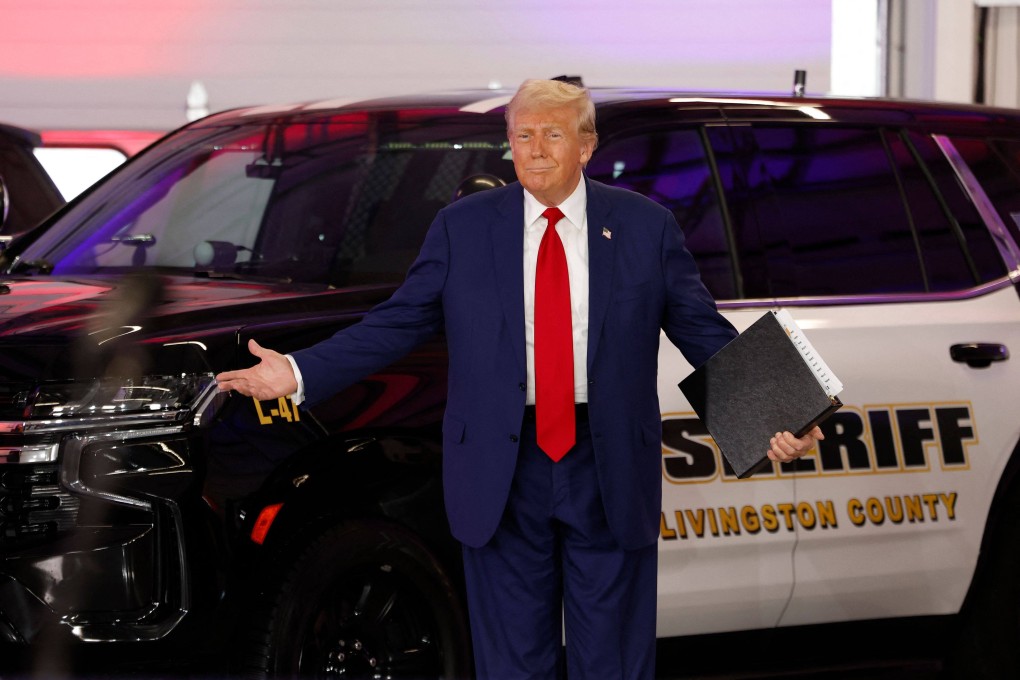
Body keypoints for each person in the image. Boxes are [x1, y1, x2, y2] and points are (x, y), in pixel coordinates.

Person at [216, 78, 822, 680]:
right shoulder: (463, 228)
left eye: (551, 134)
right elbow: (397, 323)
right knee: (513, 662)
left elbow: (701, 329)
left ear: (586, 146)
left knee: (612, 660)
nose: (534, 149)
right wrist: (297, 372)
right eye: (522, 135)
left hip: (606, 462)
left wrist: (780, 412)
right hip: (500, 467)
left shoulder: (645, 227)